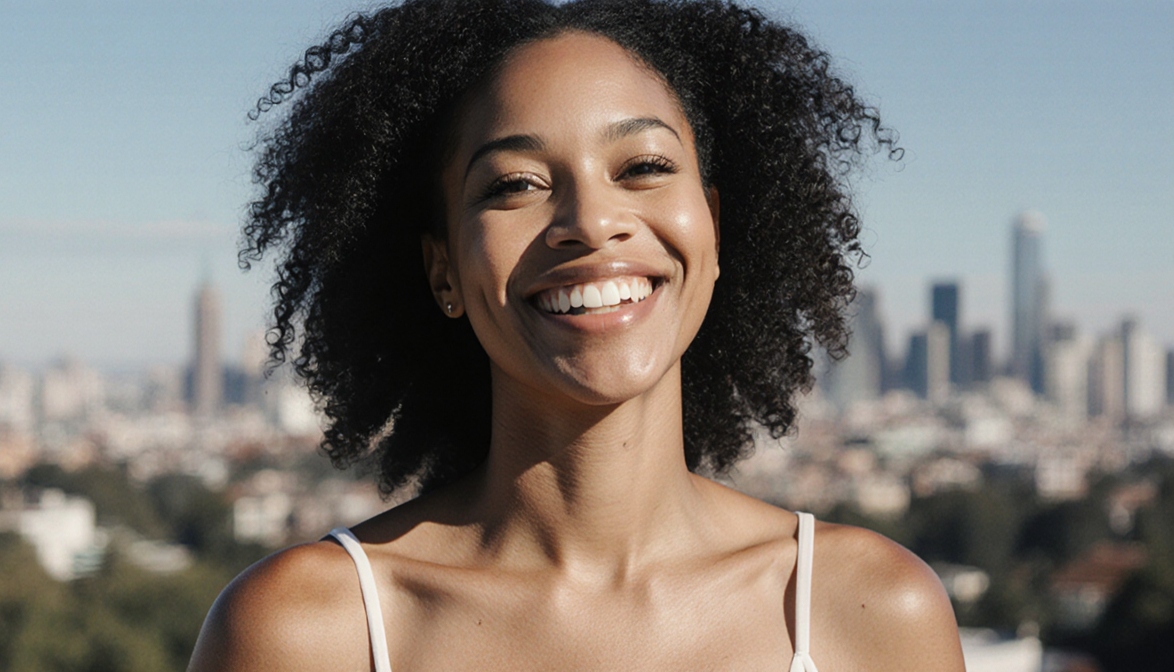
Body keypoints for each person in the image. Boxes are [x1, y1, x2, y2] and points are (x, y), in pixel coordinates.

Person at [189, 0, 965, 670]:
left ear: (717, 229)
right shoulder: (304, 634)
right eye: (515, 184)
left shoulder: (869, 611)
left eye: (644, 166)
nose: (592, 222)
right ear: (443, 273)